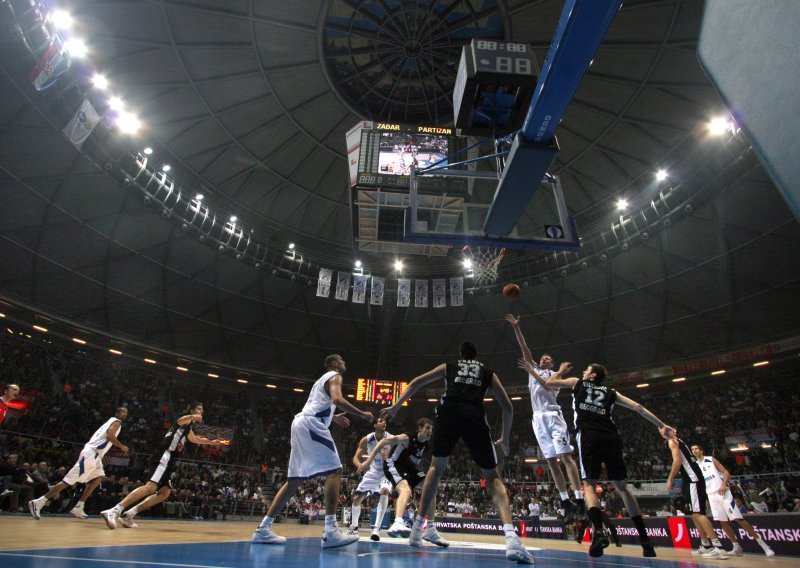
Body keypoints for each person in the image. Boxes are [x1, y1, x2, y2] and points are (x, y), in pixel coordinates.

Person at [379, 340, 534, 563]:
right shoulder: (488, 373)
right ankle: (511, 539)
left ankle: (416, 531)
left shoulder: (448, 367)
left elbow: (415, 383)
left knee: (435, 468)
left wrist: (395, 406)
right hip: (474, 415)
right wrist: (505, 439)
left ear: (460, 356)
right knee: (492, 477)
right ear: (477, 356)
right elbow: (507, 407)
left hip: (448, 414)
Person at [543, 362, 674, 558]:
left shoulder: (577, 383)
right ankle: (646, 541)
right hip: (611, 436)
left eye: (586, 369)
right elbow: (637, 407)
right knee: (622, 487)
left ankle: (599, 532)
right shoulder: (611, 392)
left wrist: (560, 371)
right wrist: (662, 425)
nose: (583, 371)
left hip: (588, 434)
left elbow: (549, 384)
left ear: (593, 375)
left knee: (588, 484)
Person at [251, 354, 373, 549]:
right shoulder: (335, 376)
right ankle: (331, 531)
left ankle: (263, 529)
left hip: (300, 422)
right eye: (342, 360)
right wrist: (361, 414)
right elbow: (337, 399)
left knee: (294, 480)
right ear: (334, 364)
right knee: (336, 471)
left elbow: (317, 405)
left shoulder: (319, 381)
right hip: (311, 424)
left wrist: (334, 418)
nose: (345, 363)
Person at [506, 314, 584, 521]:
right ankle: (566, 501)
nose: (543, 359)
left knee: (565, 456)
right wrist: (516, 327)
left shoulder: (556, 377)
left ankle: (580, 498)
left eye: (548, 359)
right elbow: (525, 348)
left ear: (553, 364)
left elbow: (546, 385)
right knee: (551, 461)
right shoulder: (535, 369)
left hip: (553, 415)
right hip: (538, 419)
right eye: (542, 358)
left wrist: (540, 370)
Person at [100, 402, 221, 529]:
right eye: (199, 409)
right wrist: (191, 416)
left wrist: (211, 442)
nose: (201, 411)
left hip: (170, 459)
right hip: (165, 455)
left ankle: (130, 514)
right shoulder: (185, 421)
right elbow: (180, 420)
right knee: (150, 488)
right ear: (191, 410)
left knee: (164, 492)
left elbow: (194, 439)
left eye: (202, 409)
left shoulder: (188, 428)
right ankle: (114, 510)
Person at [29, 407, 129, 520]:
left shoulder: (109, 421)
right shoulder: (117, 422)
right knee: (69, 481)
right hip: (91, 454)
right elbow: (110, 436)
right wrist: (121, 446)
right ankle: (39, 501)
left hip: (96, 456)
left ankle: (79, 506)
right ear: (117, 413)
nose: (125, 414)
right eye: (123, 412)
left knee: (99, 477)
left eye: (126, 413)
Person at [691, 444, 775, 557]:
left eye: (696, 448)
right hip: (711, 495)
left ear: (701, 450)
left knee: (738, 518)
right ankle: (736, 547)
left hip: (723, 492)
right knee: (723, 522)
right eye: (692, 449)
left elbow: (726, 472)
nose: (694, 450)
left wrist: (723, 485)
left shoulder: (710, 459)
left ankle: (763, 544)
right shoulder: (695, 465)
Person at [357, 418, 433, 540]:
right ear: (420, 429)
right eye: (427, 428)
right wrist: (369, 460)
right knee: (406, 490)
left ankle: (428, 527)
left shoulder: (425, 445)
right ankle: (397, 522)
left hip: (408, 469)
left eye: (431, 429)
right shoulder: (407, 437)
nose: (430, 431)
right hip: (393, 465)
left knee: (431, 486)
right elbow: (384, 441)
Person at [664, 435, 728, 559]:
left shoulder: (672, 441)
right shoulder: (678, 441)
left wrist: (670, 478)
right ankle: (705, 545)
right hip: (690, 480)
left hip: (693, 480)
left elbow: (677, 462)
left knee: (698, 513)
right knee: (694, 513)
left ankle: (718, 548)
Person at [348, 416, 393, 541]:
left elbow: (398, 456)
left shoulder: (390, 438)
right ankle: (354, 526)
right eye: (380, 421)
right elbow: (355, 458)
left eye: (385, 421)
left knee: (384, 491)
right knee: (357, 498)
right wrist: (360, 466)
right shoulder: (366, 439)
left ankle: (376, 529)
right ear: (375, 425)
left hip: (386, 472)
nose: (384, 422)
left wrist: (388, 458)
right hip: (372, 472)